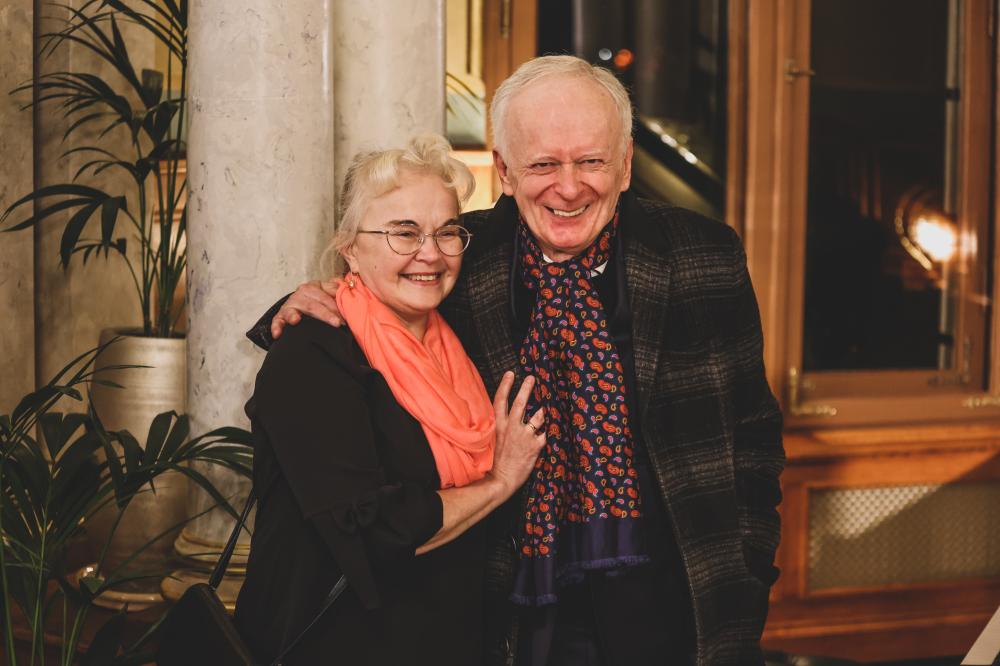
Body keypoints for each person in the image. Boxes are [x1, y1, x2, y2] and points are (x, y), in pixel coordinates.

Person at [253, 56, 785, 666]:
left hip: (677, 606)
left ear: (626, 164)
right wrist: (292, 305)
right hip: (511, 614)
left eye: (591, 161)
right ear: (504, 170)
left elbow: (754, 434)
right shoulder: (461, 255)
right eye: (543, 164)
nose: (569, 187)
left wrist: (748, 577)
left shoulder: (703, 255)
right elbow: (375, 296)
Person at [234, 134, 547, 666]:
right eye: (403, 232)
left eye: (447, 232)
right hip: (336, 646)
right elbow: (372, 531)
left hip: (446, 640)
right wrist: (499, 482)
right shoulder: (313, 354)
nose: (430, 253)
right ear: (349, 248)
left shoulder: (459, 339)